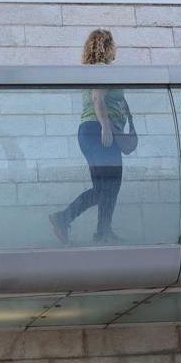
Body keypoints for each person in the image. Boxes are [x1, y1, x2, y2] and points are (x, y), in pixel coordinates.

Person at [48, 29, 133, 245]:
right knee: (110, 185)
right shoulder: (102, 70)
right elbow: (98, 98)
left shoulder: (93, 70)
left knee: (104, 187)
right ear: (106, 46)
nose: (117, 49)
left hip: (90, 132)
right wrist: (105, 127)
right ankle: (67, 218)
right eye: (114, 44)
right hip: (99, 131)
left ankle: (101, 231)